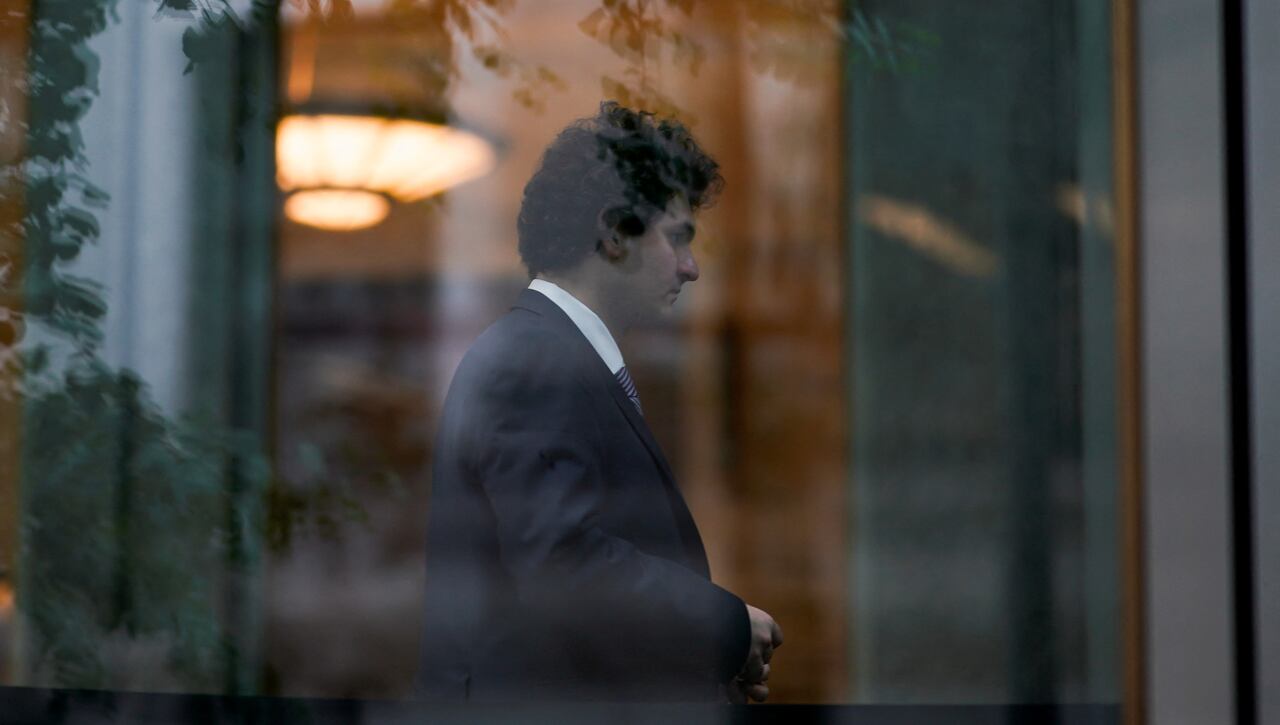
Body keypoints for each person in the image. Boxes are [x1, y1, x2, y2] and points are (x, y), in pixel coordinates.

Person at [417, 101, 783, 703]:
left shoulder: (543, 353)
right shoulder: (534, 361)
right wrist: (727, 630)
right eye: (677, 239)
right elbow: (565, 565)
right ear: (614, 232)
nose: (691, 268)